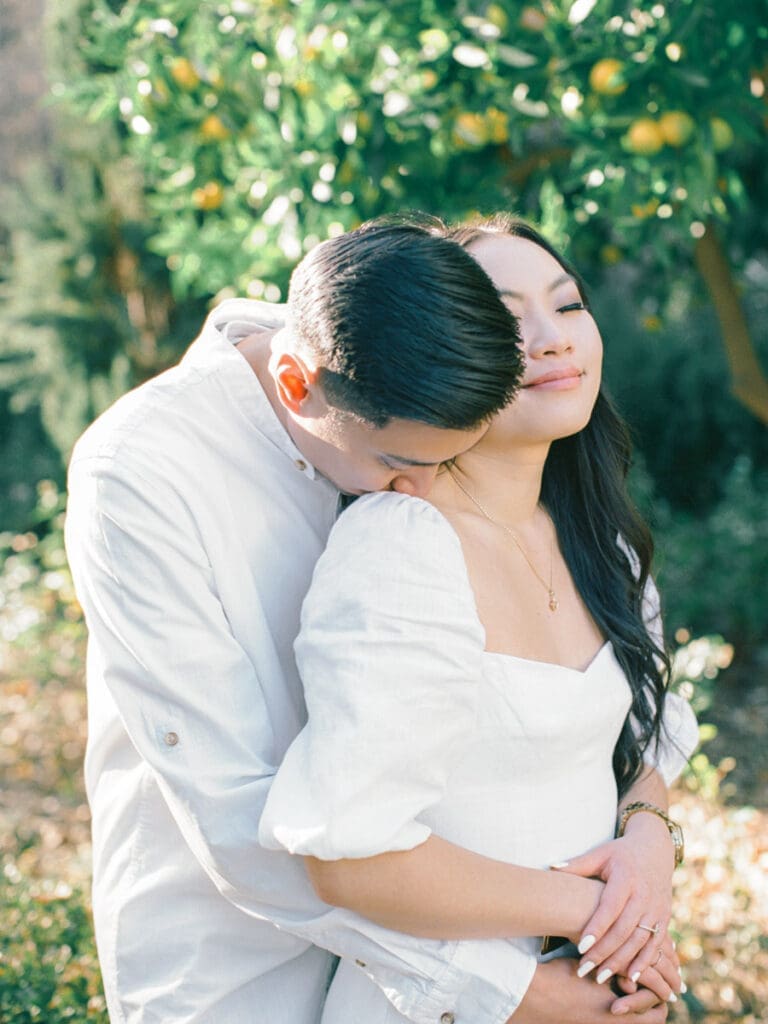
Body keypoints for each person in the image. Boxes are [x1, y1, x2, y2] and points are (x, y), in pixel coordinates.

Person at [65, 214, 642, 1024]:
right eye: (401, 466)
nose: (423, 494)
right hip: (236, 958)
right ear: (298, 389)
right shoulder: (143, 474)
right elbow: (233, 810)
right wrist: (507, 980)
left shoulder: (388, 346)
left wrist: (641, 843)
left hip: (447, 925)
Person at [259, 216, 700, 1023]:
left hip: (597, 986)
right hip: (447, 1002)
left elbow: (636, 747)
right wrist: (601, 920)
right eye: (502, 321)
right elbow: (347, 855)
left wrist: (646, 846)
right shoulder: (403, 549)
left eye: (567, 307)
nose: (550, 340)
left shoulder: (601, 540)